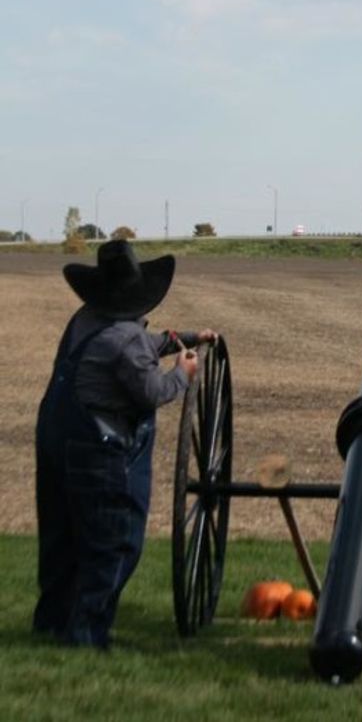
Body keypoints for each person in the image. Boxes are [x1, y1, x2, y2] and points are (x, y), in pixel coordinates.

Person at [33, 239, 218, 649]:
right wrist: (183, 372)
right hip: (98, 449)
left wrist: (182, 337)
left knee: (62, 539)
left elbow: (133, 348)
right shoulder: (125, 338)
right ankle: (86, 635)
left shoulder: (85, 319)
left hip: (55, 438)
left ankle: (52, 622)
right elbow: (152, 390)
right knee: (116, 543)